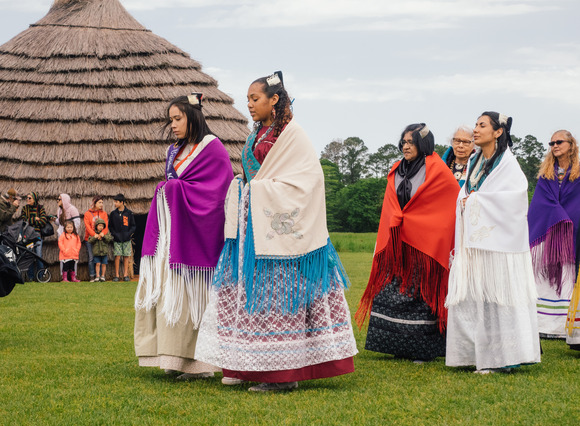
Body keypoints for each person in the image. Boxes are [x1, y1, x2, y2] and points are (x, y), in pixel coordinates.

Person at [195, 71, 358, 392]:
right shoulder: (256, 135)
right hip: (251, 231)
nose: (250, 105)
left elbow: (308, 181)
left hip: (280, 235)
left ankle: (283, 374)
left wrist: (259, 191)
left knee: (278, 297)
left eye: (255, 99)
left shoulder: (293, 135)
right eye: (248, 100)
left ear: (274, 100)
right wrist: (244, 189)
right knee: (249, 294)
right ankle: (249, 365)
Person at [134, 93, 233, 381]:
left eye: (178, 119)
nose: (173, 125)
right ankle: (171, 356)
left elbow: (216, 195)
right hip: (170, 238)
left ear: (194, 117)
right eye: (170, 120)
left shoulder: (212, 148)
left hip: (196, 240)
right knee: (168, 293)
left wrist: (173, 190)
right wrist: (170, 190)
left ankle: (199, 364)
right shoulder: (174, 151)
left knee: (190, 296)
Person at [445, 111, 541, 373]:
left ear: (498, 131)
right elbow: (468, 189)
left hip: (500, 244)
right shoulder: (476, 160)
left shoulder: (508, 164)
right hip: (477, 241)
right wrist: (467, 200)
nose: (476, 130)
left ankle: (504, 357)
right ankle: (472, 354)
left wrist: (474, 201)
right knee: (477, 298)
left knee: (498, 300)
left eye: (482, 125)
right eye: (476, 124)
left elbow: (516, 197)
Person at [355, 124, 459, 362]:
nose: (405, 146)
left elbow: (447, 205)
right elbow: (391, 205)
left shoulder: (437, 170)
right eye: (403, 142)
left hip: (424, 246)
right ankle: (394, 344)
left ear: (423, 144)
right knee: (392, 289)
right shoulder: (396, 168)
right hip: (398, 244)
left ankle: (421, 349)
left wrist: (418, 223)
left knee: (421, 293)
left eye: (411, 142)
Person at [528, 130, 580, 339]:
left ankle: (561, 327)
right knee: (545, 277)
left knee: (567, 275)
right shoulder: (545, 175)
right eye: (551, 143)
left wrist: (567, 219)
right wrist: (558, 217)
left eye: (559, 142)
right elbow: (541, 203)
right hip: (549, 232)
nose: (555, 145)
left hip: (571, 232)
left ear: (571, 144)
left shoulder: (578, 173)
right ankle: (543, 325)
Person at [108, 193, 136, 282]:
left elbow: (133, 226)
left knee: (126, 256)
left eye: (116, 202)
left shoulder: (129, 213)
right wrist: (114, 234)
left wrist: (128, 234)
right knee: (117, 256)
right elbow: (110, 226)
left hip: (127, 239)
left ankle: (125, 275)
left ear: (122, 202)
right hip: (117, 239)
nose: (115, 204)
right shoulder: (113, 214)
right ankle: (116, 275)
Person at [20, 192, 48, 281]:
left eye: (30, 198)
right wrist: (34, 219)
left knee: (38, 255)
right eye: (27, 198)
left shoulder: (40, 208)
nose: (27, 200)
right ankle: (30, 277)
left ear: (34, 199)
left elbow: (43, 221)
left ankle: (40, 277)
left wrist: (30, 221)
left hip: (37, 235)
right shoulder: (25, 208)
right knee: (29, 255)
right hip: (27, 236)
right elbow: (23, 221)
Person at [84, 196, 109, 282]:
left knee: (102, 257)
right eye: (99, 202)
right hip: (90, 239)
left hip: (101, 239)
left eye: (102, 202)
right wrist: (94, 235)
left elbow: (106, 226)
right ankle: (92, 275)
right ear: (94, 203)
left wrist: (102, 234)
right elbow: (87, 226)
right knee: (91, 258)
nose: (101, 204)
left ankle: (100, 276)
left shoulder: (104, 214)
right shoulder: (87, 214)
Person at [88, 218, 112, 282]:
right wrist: (95, 237)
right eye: (99, 225)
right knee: (97, 264)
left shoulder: (106, 233)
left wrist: (103, 236)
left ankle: (103, 276)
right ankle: (97, 276)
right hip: (97, 252)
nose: (101, 227)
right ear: (96, 226)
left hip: (104, 252)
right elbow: (90, 240)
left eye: (102, 226)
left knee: (104, 264)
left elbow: (109, 239)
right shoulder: (94, 233)